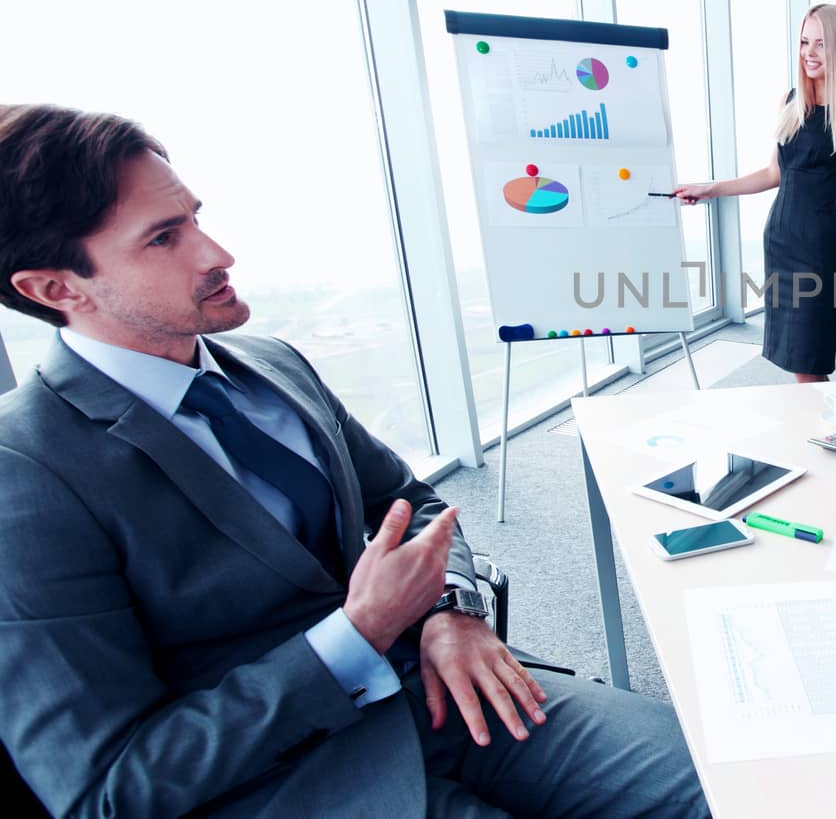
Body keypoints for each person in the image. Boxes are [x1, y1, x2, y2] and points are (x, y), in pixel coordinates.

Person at [0, 104, 709, 818]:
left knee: (733, 786)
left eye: (194, 217)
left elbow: (412, 500)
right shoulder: (26, 470)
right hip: (290, 780)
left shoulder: (273, 365)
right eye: (163, 238)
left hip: (443, 683)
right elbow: (109, 790)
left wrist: (449, 608)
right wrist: (356, 634)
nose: (217, 253)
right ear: (56, 289)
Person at [673, 3, 836, 382]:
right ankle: (814, 435)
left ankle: (830, 435)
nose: (809, 53)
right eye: (804, 42)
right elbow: (774, 173)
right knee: (794, 361)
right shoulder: (790, 102)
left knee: (809, 364)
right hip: (780, 243)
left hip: (819, 250)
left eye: (821, 43)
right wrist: (712, 188)